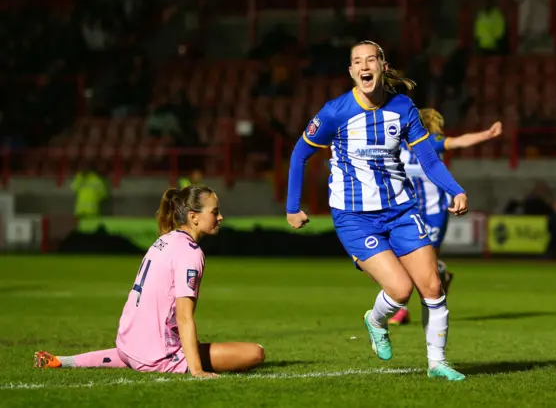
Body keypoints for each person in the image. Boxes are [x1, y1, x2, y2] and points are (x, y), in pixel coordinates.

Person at [286, 40, 468, 381]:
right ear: (352, 72)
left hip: (401, 210)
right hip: (355, 218)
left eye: (371, 59)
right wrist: (292, 207)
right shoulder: (335, 112)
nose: (364, 65)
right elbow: (299, 154)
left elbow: (428, 158)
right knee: (400, 291)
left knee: (432, 285)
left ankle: (438, 363)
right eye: (358, 61)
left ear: (383, 66)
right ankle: (375, 320)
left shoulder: (403, 108)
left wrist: (454, 189)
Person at [34, 186, 265, 378]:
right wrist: (197, 370)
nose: (220, 217)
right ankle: (181, 360)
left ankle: (65, 361)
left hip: (127, 344)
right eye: (215, 212)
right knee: (255, 353)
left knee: (182, 344)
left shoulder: (164, 240)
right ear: (194, 217)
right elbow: (184, 317)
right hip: (155, 354)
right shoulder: (190, 252)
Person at [390, 108, 502, 325]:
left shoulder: (431, 142)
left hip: (434, 212)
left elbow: (458, 142)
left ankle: (434, 281)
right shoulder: (397, 146)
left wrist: (487, 134)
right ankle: (404, 308)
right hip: (409, 211)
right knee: (402, 260)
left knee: (424, 264)